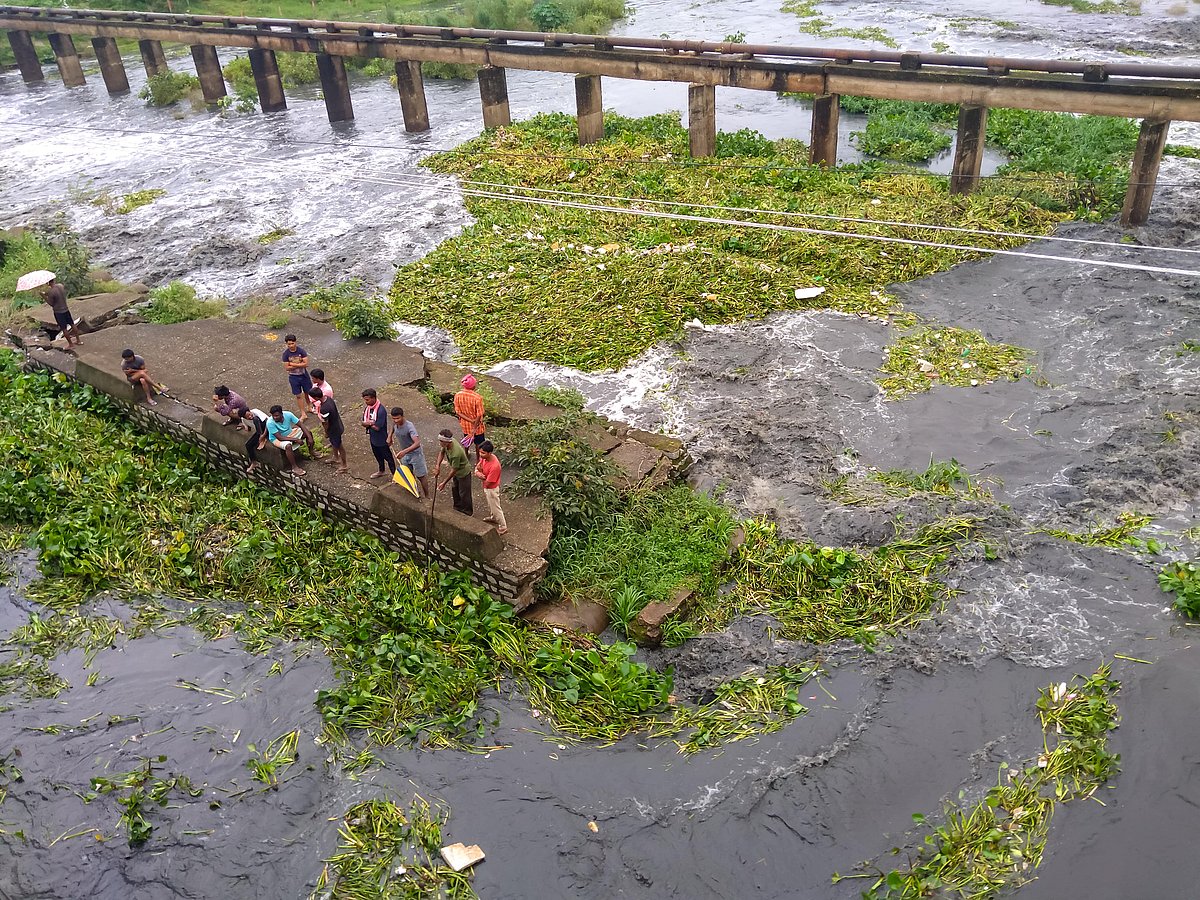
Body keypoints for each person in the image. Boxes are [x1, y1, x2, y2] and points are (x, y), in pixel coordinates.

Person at [389, 406, 431, 497]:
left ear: (403, 416)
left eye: (398, 418)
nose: (396, 420)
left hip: (416, 455)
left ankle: (427, 496)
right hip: (405, 455)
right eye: (394, 418)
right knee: (408, 474)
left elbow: (417, 443)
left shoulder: (409, 427)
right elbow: (392, 426)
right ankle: (413, 491)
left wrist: (404, 452)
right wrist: (389, 436)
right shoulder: (395, 423)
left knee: (421, 476)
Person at [265, 403, 314, 476]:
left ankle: (311, 452)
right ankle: (294, 467)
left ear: (282, 414)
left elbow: (300, 424)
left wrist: (309, 437)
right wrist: (296, 440)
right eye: (273, 416)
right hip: (277, 438)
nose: (275, 417)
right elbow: (279, 437)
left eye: (277, 415)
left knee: (308, 433)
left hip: (290, 433)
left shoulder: (288, 414)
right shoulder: (270, 422)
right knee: (288, 446)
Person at [308, 386, 347, 474]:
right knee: (334, 443)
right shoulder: (328, 399)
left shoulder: (324, 408)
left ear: (316, 397)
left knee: (339, 446)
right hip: (338, 425)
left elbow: (326, 423)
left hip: (333, 430)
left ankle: (344, 465)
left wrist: (326, 432)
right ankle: (336, 457)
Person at [435, 428, 473, 516]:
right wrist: (437, 466)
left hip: (463, 472)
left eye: (441, 441)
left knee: (464, 493)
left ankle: (467, 512)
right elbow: (442, 453)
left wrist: (444, 483)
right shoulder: (446, 445)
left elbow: (453, 470)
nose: (440, 443)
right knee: (455, 489)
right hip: (456, 472)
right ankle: (457, 507)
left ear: (446, 442)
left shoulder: (456, 453)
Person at [474, 439, 508, 535]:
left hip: (491, 489)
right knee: (491, 505)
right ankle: (494, 518)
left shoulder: (495, 466)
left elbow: (488, 483)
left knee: (496, 507)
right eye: (480, 452)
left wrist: (478, 474)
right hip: (486, 486)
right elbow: (478, 467)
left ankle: (503, 526)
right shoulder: (485, 458)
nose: (481, 455)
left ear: (489, 453)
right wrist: (478, 472)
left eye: (483, 453)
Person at [361, 389, 394, 478]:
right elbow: (363, 423)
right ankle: (381, 470)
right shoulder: (368, 409)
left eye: (367, 400)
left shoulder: (381, 410)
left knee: (389, 458)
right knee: (378, 456)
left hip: (382, 439)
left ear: (373, 398)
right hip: (373, 438)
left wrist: (368, 423)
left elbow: (377, 427)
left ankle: (395, 475)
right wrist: (371, 423)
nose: (366, 402)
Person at [454, 374, 486, 458]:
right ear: (473, 386)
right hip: (477, 427)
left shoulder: (458, 395)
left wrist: (469, 420)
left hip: (465, 425)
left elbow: (458, 412)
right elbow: (479, 415)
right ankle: (478, 460)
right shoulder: (477, 398)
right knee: (479, 443)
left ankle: (466, 454)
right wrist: (474, 426)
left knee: (467, 440)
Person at [42, 277, 80, 348]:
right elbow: (57, 294)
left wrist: (44, 296)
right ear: (54, 280)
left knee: (64, 328)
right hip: (66, 309)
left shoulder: (51, 292)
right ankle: (78, 340)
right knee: (72, 324)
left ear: (48, 283)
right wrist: (47, 293)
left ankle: (71, 344)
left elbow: (51, 303)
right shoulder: (60, 286)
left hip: (59, 312)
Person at [281, 334, 312, 417]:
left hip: (303, 375)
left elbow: (306, 364)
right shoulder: (286, 354)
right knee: (298, 395)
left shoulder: (301, 351)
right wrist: (299, 363)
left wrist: (292, 364)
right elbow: (287, 368)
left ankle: (309, 407)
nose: (291, 345)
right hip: (293, 377)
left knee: (308, 392)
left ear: (295, 342)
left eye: (292, 343)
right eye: (289, 344)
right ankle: (303, 413)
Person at [241, 407, 268, 474]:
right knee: (248, 445)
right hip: (259, 432)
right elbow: (248, 428)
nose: (250, 417)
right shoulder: (244, 419)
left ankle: (263, 439)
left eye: (250, 414)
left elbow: (268, 422)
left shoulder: (256, 412)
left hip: (268, 428)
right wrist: (245, 426)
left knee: (255, 419)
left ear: (250, 411)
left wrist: (263, 436)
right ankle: (254, 462)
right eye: (247, 417)